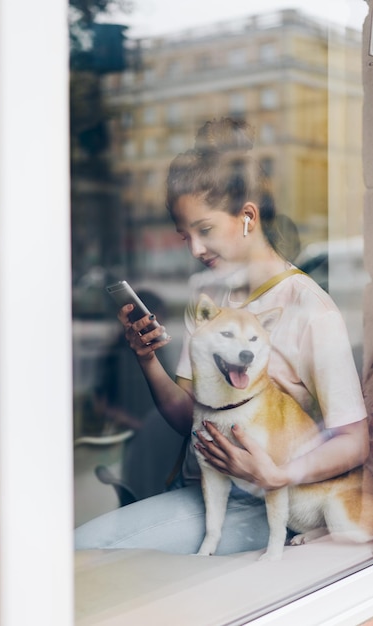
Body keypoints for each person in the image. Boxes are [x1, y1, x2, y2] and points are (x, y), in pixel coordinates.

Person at [74, 118, 368, 555]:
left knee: (88, 550)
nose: (194, 249)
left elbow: (354, 441)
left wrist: (278, 475)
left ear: (247, 217)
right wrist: (146, 357)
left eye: (204, 230)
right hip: (205, 493)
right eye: (183, 235)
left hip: (272, 507)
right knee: (87, 549)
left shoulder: (310, 309)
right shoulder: (211, 295)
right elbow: (190, 419)